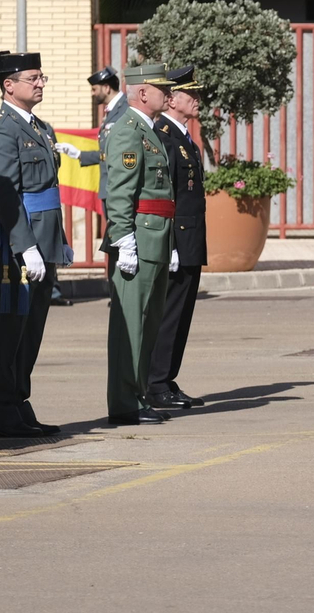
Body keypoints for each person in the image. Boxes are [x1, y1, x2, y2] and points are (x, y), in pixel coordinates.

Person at [0, 51, 71, 438]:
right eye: (32, 77)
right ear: (9, 85)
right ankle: (1, 411)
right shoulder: (3, 130)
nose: (40, 83)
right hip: (17, 242)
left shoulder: (39, 126)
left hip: (43, 237)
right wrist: (25, 246)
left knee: (31, 328)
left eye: (41, 77)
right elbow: (7, 193)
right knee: (9, 328)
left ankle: (19, 401)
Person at [102, 64, 176, 426]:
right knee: (130, 324)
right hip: (139, 236)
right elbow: (120, 191)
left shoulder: (149, 130)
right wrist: (124, 240)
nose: (170, 94)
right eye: (162, 88)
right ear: (142, 93)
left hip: (156, 236)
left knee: (149, 322)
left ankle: (139, 394)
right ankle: (124, 402)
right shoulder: (128, 131)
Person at [146, 66, 207, 411]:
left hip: (191, 238)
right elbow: (165, 193)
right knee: (169, 313)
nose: (197, 100)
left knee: (182, 314)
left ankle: (167, 377)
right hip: (177, 240)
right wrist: (168, 243)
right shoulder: (165, 136)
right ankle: (155, 383)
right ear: (172, 99)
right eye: (191, 95)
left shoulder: (184, 137)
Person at [60, 66, 127, 202]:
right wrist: (79, 154)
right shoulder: (114, 110)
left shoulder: (125, 109)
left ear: (107, 88)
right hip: (110, 187)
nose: (92, 93)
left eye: (94, 89)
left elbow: (121, 152)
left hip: (120, 189)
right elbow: (106, 153)